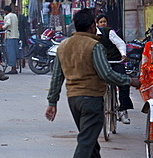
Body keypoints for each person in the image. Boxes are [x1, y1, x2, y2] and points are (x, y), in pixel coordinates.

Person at [45, 9, 140, 158]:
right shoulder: (94, 46)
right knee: (86, 141)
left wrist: (52, 101)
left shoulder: (63, 46)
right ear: (92, 26)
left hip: (73, 100)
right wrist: (129, 80)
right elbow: (106, 74)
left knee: (90, 141)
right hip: (91, 98)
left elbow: (57, 76)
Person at [96, 13, 133, 124]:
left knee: (123, 82)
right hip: (102, 62)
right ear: (97, 24)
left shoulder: (110, 32)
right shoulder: (93, 34)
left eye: (105, 22)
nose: (103, 24)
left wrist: (123, 55)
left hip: (115, 60)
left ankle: (123, 110)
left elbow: (120, 43)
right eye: (101, 22)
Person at [2, 6, 20, 74]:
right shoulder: (15, 15)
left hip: (10, 36)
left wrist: (3, 27)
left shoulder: (8, 16)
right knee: (15, 52)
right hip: (16, 36)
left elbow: (8, 23)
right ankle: (14, 67)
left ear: (6, 11)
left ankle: (13, 69)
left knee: (11, 53)